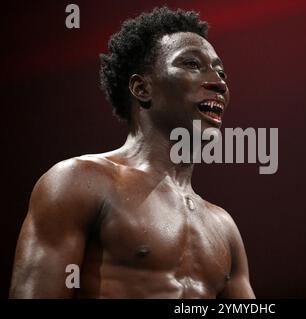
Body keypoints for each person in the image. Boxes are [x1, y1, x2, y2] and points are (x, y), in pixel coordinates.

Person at [9, 7, 255, 299]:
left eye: (221, 72)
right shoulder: (79, 182)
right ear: (141, 88)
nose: (219, 83)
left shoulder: (224, 227)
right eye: (192, 64)